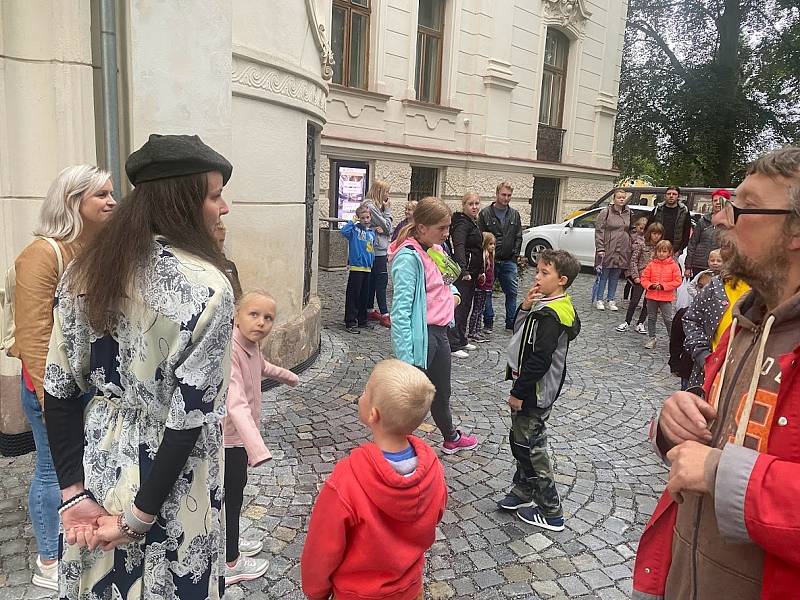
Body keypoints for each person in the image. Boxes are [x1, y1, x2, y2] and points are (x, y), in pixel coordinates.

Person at [44, 134, 234, 599]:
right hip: (175, 478)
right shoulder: (208, 288)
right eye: (214, 195)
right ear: (183, 200)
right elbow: (188, 420)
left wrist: (72, 491)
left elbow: (59, 388)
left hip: (103, 461)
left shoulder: (84, 271)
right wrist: (140, 518)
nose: (223, 207)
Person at [635, 146, 800, 599]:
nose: (722, 219)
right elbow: (709, 440)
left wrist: (722, 473)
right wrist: (671, 424)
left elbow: (716, 467)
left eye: (742, 206)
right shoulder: (745, 320)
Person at [8, 164, 114, 590]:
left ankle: (77, 540)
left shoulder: (94, 251)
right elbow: (34, 334)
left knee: (80, 469)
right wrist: (54, 401)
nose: (112, 201)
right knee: (53, 470)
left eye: (111, 193)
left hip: (86, 386)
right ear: (74, 203)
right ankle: (49, 559)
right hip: (49, 389)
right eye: (101, 195)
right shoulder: (42, 254)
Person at [300, 359, 447, 600]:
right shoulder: (433, 470)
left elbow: (322, 548)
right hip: (409, 589)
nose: (362, 394)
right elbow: (436, 513)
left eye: (366, 391)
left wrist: (316, 592)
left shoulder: (346, 480)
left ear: (373, 414)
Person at [497, 249, 581, 531]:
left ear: (562, 280)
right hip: (531, 387)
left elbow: (540, 360)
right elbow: (520, 335)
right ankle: (523, 489)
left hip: (535, 391)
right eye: (538, 271)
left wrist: (519, 392)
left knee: (532, 448)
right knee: (519, 439)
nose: (537, 277)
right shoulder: (546, 305)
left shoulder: (551, 315)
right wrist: (524, 307)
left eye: (545, 273)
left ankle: (551, 510)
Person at [390, 196, 479, 454]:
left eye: (448, 227)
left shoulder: (435, 250)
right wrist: (406, 356)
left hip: (440, 334)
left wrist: (455, 295)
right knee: (412, 398)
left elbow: (447, 281)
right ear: (422, 228)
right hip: (422, 336)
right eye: (442, 228)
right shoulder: (408, 258)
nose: (447, 233)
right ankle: (393, 448)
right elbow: (401, 311)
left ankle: (450, 438)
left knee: (442, 392)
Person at [223, 290, 299, 585]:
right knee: (232, 497)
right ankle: (230, 564)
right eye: (253, 314)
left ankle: (230, 542)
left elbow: (262, 367)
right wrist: (257, 448)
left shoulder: (250, 345)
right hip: (231, 441)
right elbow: (235, 402)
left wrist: (286, 375)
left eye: (268, 317)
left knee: (234, 496)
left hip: (240, 440)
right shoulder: (231, 350)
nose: (261, 322)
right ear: (236, 316)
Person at [682, 255, 751, 388]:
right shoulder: (716, 286)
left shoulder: (773, 294)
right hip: (708, 374)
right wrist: (703, 356)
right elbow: (691, 319)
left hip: (745, 380)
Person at [478, 181, 523, 331]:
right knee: (487, 292)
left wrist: (514, 255)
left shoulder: (514, 214)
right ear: (497, 194)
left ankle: (511, 322)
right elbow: (481, 237)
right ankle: (488, 322)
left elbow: (518, 236)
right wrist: (485, 256)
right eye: (503, 194)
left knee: (512, 292)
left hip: (509, 260)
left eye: (509, 195)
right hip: (490, 260)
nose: (506, 198)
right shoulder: (485, 213)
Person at [448, 192, 484, 356]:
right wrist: (464, 270)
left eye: (477, 203)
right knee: (459, 307)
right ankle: (453, 343)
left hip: (474, 272)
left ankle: (461, 339)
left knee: (466, 306)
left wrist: (481, 270)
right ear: (464, 206)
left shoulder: (473, 223)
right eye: (471, 204)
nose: (475, 207)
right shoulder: (462, 223)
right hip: (465, 273)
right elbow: (459, 246)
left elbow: (479, 249)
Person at [669, 271, 714, 390]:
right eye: (700, 287)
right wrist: (674, 363)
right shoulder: (685, 313)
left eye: (708, 288)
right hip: (688, 366)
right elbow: (676, 340)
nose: (703, 291)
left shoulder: (718, 315)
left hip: (711, 368)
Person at [616, 218, 660, 333]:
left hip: (653, 279)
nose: (656, 236)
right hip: (641, 276)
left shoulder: (661, 248)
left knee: (648, 302)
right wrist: (635, 276)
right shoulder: (641, 245)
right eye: (654, 233)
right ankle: (627, 321)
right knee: (634, 300)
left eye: (658, 234)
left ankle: (641, 323)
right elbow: (634, 260)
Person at [594, 188, 633, 311]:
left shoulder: (628, 212)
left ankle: (611, 299)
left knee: (615, 275)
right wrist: (600, 247)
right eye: (619, 197)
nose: (621, 199)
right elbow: (599, 231)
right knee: (604, 274)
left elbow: (631, 229)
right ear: (614, 199)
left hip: (622, 248)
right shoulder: (606, 212)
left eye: (623, 197)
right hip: (608, 246)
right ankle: (599, 299)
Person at [641, 239, 683, 349]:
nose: (661, 254)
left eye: (664, 251)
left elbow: (677, 281)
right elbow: (644, 278)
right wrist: (650, 285)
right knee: (651, 317)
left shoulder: (674, 266)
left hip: (666, 297)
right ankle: (652, 338)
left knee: (668, 319)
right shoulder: (651, 264)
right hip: (652, 296)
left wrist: (664, 286)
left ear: (669, 253)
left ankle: (672, 339)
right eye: (659, 251)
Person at [341, 203, 376, 334]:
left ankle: (363, 320)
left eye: (367, 217)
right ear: (358, 218)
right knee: (353, 296)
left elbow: (370, 249)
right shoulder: (354, 230)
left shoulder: (371, 233)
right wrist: (353, 221)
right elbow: (343, 231)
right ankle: (350, 321)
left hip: (368, 268)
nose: (365, 220)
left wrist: (372, 262)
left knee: (364, 296)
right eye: (362, 218)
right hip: (357, 268)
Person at [364, 180, 393, 328]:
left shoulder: (374, 206)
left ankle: (369, 309)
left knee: (373, 281)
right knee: (381, 280)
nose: (388, 195)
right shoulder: (371, 206)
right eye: (386, 191)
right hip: (377, 249)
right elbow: (387, 227)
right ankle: (385, 313)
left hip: (376, 248)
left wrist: (386, 229)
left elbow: (388, 229)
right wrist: (387, 211)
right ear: (380, 191)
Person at [685, 189, 727, 278]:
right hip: (699, 265)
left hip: (720, 267)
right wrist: (688, 266)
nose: (718, 203)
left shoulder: (731, 223)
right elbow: (693, 243)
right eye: (715, 200)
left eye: (721, 200)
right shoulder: (703, 221)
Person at [646, 185, 691, 256]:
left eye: (674, 194)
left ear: (678, 196)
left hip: (674, 250)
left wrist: (680, 250)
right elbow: (648, 228)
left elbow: (686, 233)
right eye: (669, 194)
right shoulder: (658, 209)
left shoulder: (684, 211)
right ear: (665, 196)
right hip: (656, 249)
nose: (671, 196)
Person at [468, 232, 495, 343]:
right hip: (481, 288)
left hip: (487, 287)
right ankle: (472, 331)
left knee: (481, 309)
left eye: (494, 244)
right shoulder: (483, 258)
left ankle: (477, 330)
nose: (492, 246)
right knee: (477, 309)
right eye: (490, 244)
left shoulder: (490, 257)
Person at [214, 220, 243, 299]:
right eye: (213, 240)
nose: (217, 245)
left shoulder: (229, 266)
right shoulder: (197, 265)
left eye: (221, 241)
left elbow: (239, 296)